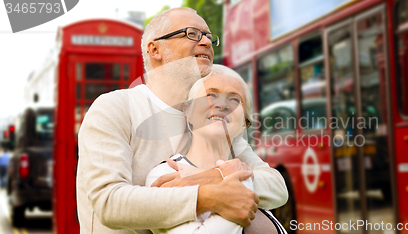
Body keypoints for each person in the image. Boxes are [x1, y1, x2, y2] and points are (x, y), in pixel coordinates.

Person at [77, 7, 288, 234]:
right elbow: (109, 203)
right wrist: (207, 196)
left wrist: (204, 179)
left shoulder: (211, 120)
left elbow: (276, 187)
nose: (206, 42)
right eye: (192, 34)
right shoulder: (115, 107)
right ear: (155, 49)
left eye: (208, 37)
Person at [145, 65, 286, 234]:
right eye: (211, 95)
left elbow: (279, 190)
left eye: (234, 99)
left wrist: (216, 176)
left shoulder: (247, 171)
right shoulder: (165, 175)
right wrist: (236, 178)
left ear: (244, 124)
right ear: (188, 111)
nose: (222, 105)